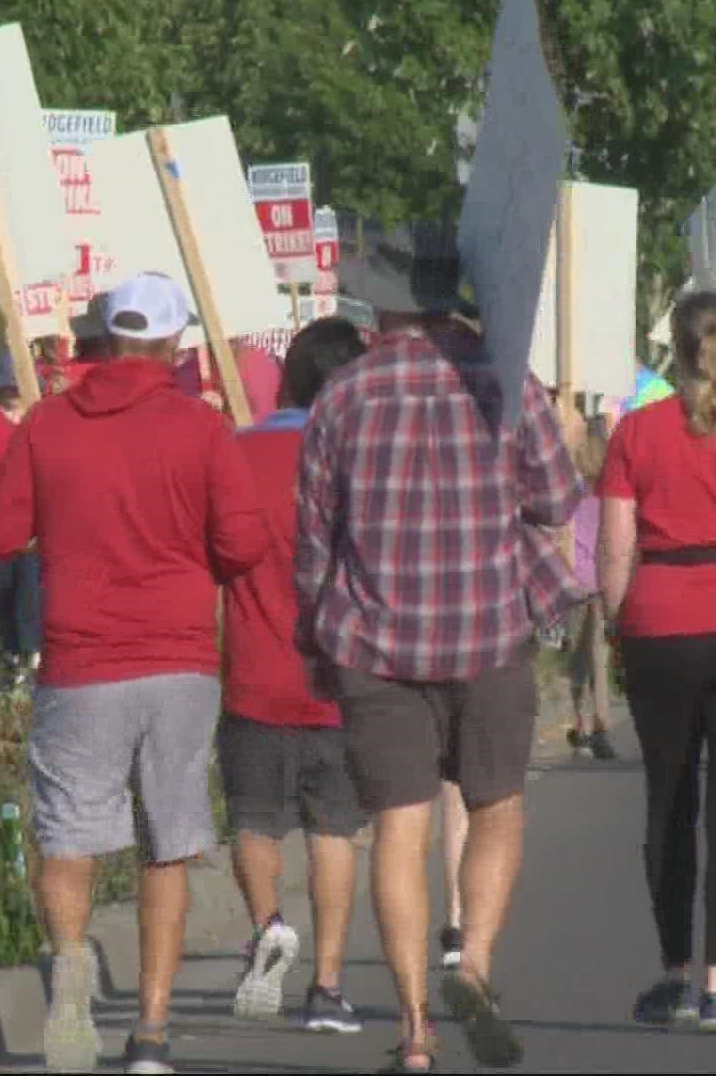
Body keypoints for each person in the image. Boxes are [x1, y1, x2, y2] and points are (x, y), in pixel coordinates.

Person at [0, 272, 267, 1073]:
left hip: (80, 658)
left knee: (68, 835)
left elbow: (1, 537)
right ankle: (149, 1030)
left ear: (101, 341)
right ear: (175, 346)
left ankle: (71, 958)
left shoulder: (46, 424)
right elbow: (242, 546)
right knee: (165, 844)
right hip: (178, 658)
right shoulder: (202, 429)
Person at [296, 287, 583, 1071]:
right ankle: (477, 966)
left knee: (399, 826)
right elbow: (559, 500)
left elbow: (315, 540)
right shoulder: (508, 383)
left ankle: (416, 1033)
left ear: (383, 315)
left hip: (376, 642)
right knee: (496, 808)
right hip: (488, 632)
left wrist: (314, 638)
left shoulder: (343, 395)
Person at [220, 318, 369, 1032]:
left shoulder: (240, 451)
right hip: (341, 677)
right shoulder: (362, 454)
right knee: (334, 831)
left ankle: (269, 924)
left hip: (254, 665)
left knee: (254, 821)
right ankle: (329, 987)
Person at [598, 291, 716, 1030]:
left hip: (660, 624)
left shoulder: (636, 432)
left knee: (670, 802)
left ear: (671, 346)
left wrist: (617, 629)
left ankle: (676, 975)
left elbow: (615, 549)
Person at [0, 354, 39, 692]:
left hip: (34, 522)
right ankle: (12, 652)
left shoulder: (41, 417)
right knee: (1, 588)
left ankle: (32, 653)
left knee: (31, 588)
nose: (13, 391)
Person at [565, 414, 615, 760]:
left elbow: (562, 534)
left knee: (576, 657)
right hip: (602, 583)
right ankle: (602, 726)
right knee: (600, 655)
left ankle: (580, 722)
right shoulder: (611, 492)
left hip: (573, 583)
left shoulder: (572, 491)